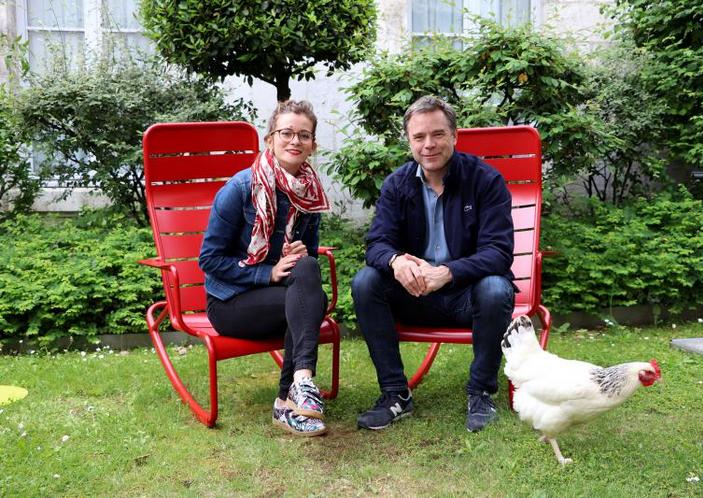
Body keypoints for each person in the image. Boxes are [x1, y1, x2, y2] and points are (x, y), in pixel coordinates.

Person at [352, 95, 515, 433]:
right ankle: (395, 394)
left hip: (466, 297)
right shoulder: (397, 184)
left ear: (455, 136)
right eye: (419, 137)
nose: (429, 145)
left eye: (438, 134)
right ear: (409, 141)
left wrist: (449, 272)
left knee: (497, 288)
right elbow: (376, 244)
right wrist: (395, 261)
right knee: (366, 281)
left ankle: (481, 393)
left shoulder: (485, 180)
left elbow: (499, 251)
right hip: (414, 294)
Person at [199, 100, 331, 436]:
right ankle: (291, 399)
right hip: (231, 302)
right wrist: (267, 273)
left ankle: (298, 386)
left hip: (281, 298)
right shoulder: (241, 188)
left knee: (308, 271)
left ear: (313, 145)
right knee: (302, 304)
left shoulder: (310, 196)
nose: (295, 141)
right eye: (286, 132)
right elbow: (210, 260)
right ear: (269, 139)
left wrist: (299, 253)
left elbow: (306, 268)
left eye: (304, 135)